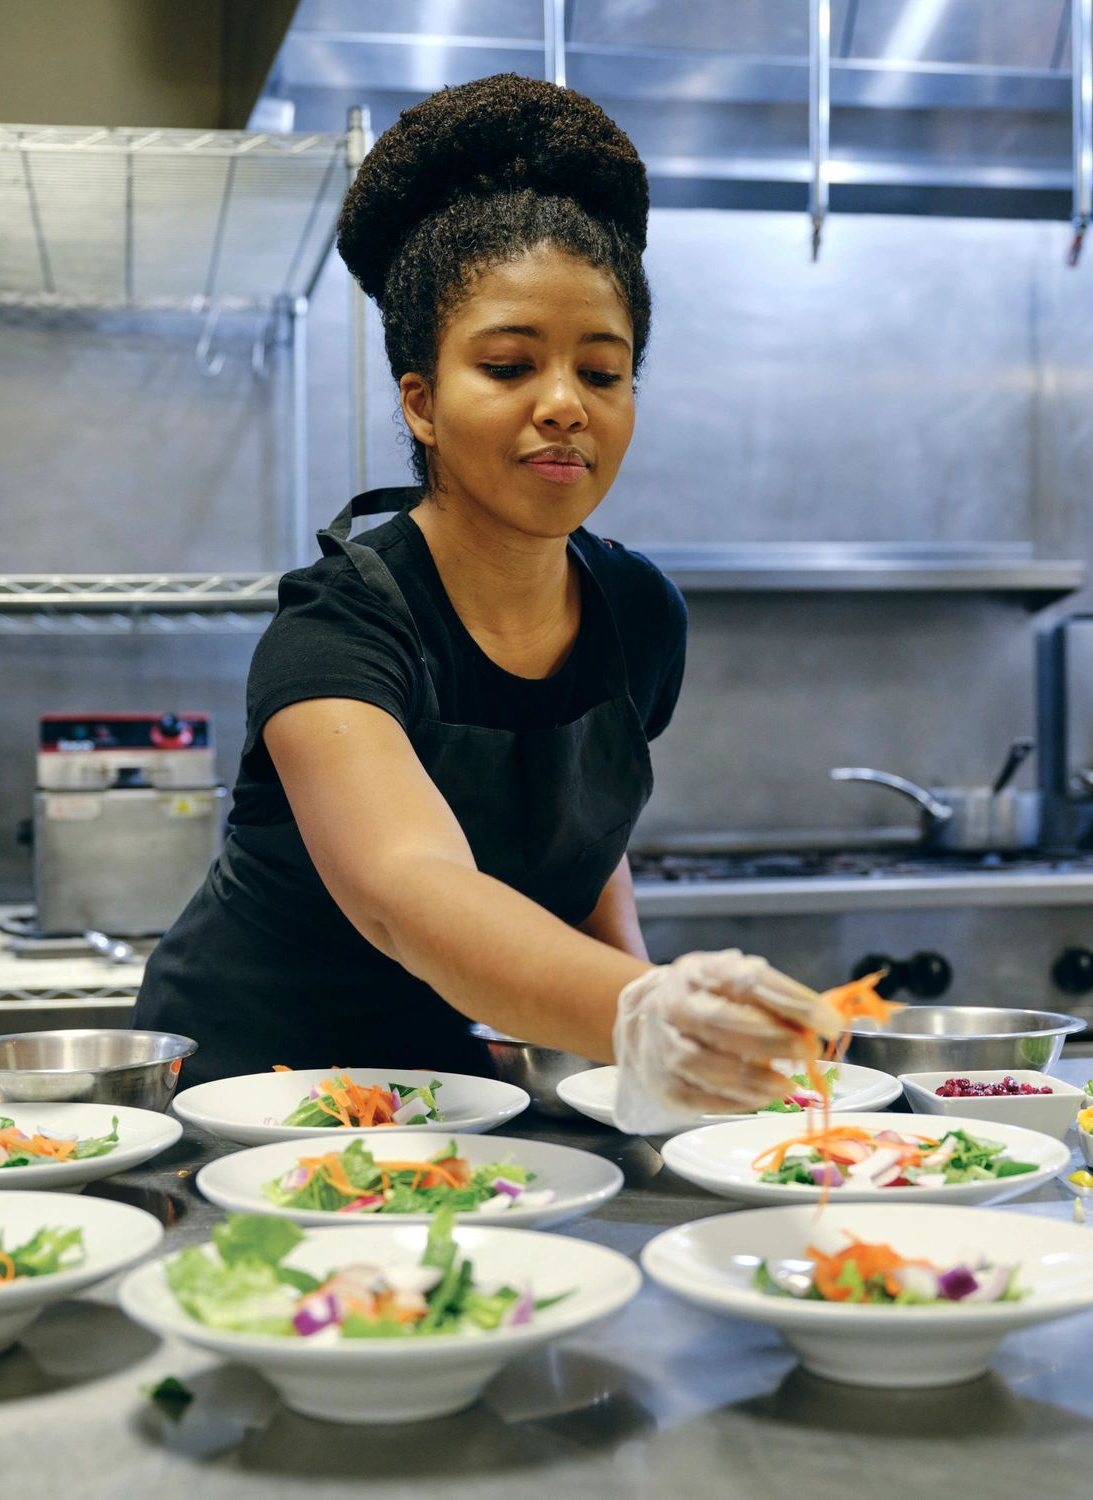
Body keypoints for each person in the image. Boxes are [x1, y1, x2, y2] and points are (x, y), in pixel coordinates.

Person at [135, 76, 838, 1127]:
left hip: (471, 1097)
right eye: (509, 365)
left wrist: (643, 1032)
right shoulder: (337, 627)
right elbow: (407, 890)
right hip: (267, 1101)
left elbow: (581, 835)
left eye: (602, 374)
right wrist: (643, 1008)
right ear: (419, 400)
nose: (564, 405)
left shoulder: (639, 615)